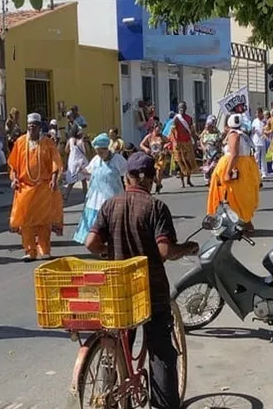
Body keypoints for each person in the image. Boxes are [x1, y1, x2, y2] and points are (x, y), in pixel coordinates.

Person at [83, 152, 199, 409]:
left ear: (127, 178)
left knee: (117, 343)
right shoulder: (156, 207)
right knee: (161, 350)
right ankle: (164, 404)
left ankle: (110, 396)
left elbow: (91, 243)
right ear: (151, 180)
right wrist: (187, 248)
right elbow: (165, 252)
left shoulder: (110, 205)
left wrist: (109, 251)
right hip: (151, 291)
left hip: (119, 289)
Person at [8, 113, 64, 261]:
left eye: (35, 125)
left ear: (40, 127)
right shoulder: (20, 142)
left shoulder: (47, 142)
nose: (32, 127)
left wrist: (53, 179)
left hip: (43, 187)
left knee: (44, 222)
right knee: (26, 222)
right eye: (30, 125)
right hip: (25, 188)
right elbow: (13, 164)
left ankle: (44, 250)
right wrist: (14, 179)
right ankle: (29, 251)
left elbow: (55, 162)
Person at [208, 114, 261, 233]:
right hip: (244, 168)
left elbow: (234, 154)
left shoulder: (234, 135)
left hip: (235, 169)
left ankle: (236, 223)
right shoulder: (243, 134)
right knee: (238, 196)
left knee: (230, 196)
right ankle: (244, 222)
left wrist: (227, 172)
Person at [73, 133, 128, 244]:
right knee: (96, 224)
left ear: (106, 149)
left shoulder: (117, 159)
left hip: (113, 197)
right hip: (96, 198)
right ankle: (99, 245)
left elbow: (127, 172)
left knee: (113, 223)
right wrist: (80, 169)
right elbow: (89, 171)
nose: (100, 154)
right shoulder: (96, 160)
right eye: (97, 152)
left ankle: (114, 244)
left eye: (101, 152)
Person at [169, 101, 198, 188]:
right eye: (180, 107)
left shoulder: (189, 118)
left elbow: (192, 131)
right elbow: (173, 132)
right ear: (178, 109)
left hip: (187, 142)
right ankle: (182, 183)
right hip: (178, 144)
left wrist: (196, 141)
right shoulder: (176, 119)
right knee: (180, 162)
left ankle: (188, 180)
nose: (182, 109)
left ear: (186, 108)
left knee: (188, 161)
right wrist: (175, 143)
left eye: (183, 107)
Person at [140, 121, 169, 193]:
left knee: (159, 171)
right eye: (158, 128)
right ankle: (158, 182)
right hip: (152, 156)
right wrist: (146, 149)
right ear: (154, 128)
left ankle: (157, 187)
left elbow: (169, 142)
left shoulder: (162, 137)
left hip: (160, 156)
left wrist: (165, 147)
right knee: (152, 173)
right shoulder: (149, 136)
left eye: (160, 128)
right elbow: (141, 144)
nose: (159, 130)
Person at [64, 127, 89, 202]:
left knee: (72, 181)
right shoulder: (82, 141)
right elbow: (86, 151)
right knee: (83, 179)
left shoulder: (70, 140)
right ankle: (85, 195)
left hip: (72, 161)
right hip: (81, 161)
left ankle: (66, 195)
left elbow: (66, 150)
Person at [199, 115, 222, 185]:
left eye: (209, 125)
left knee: (214, 166)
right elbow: (201, 141)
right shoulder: (204, 133)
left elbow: (220, 143)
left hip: (215, 153)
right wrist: (203, 147)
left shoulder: (217, 134)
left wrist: (217, 147)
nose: (207, 127)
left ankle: (214, 178)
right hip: (207, 153)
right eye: (207, 125)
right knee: (206, 166)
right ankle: (207, 179)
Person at [251, 108, 268, 179]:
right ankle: (257, 171)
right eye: (256, 113)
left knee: (263, 157)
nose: (257, 114)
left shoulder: (265, 121)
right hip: (256, 141)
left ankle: (264, 172)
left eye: (259, 113)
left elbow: (267, 129)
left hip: (263, 141)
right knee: (256, 157)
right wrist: (253, 131)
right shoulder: (254, 121)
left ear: (261, 113)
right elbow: (252, 130)